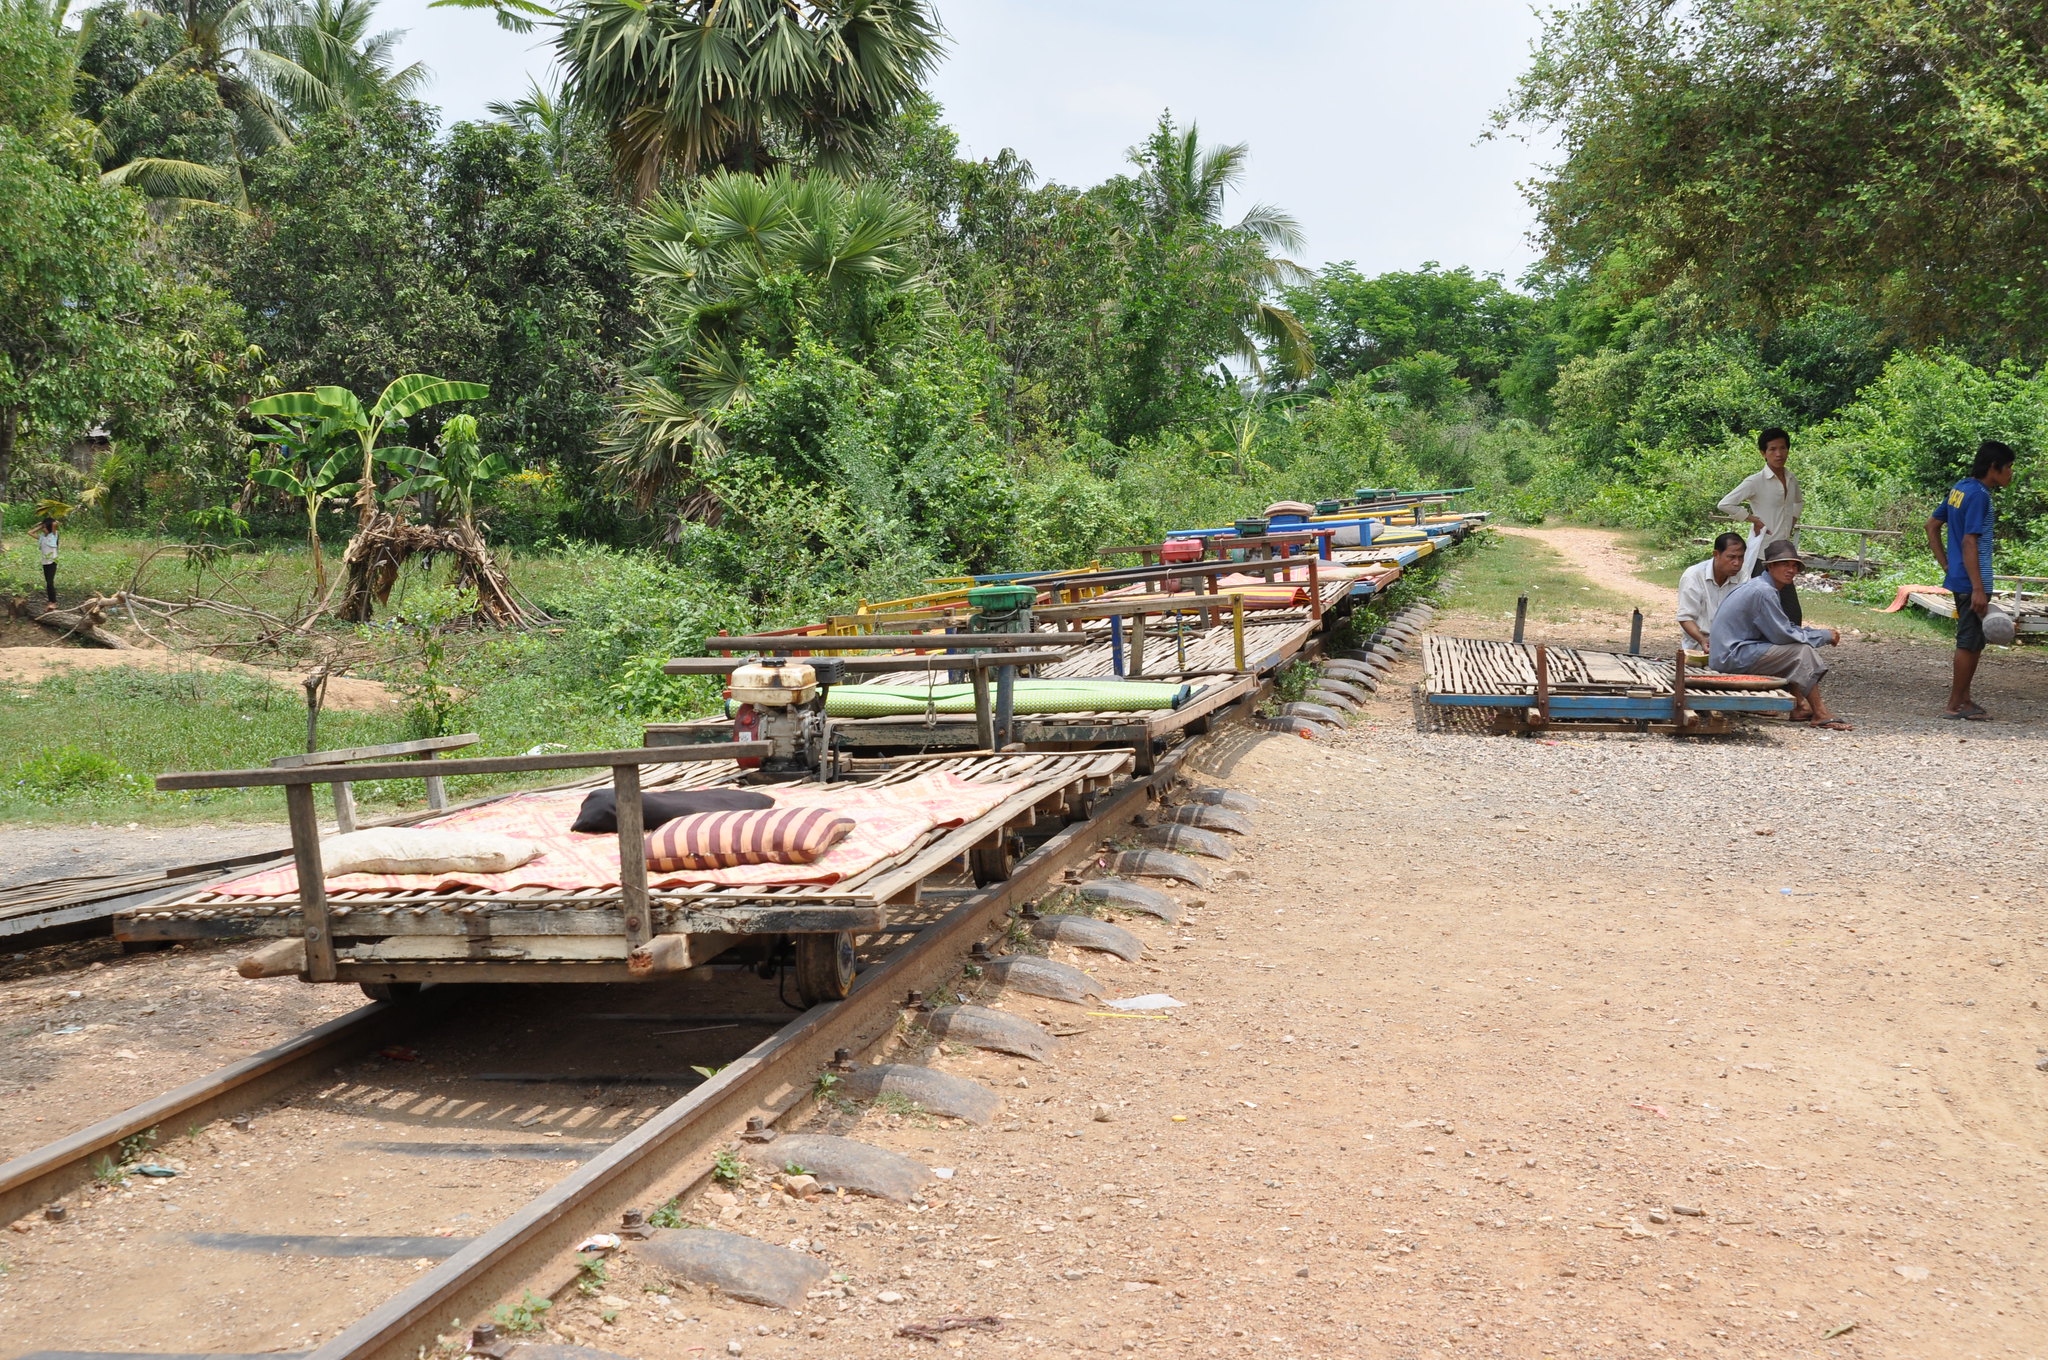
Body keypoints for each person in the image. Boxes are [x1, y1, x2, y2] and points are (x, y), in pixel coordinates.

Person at [1710, 539, 1849, 729]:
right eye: (1785, 564)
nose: (1791, 570)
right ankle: (1820, 713)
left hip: (1733, 652)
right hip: (1731, 656)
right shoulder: (1763, 591)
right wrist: (1824, 635)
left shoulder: (1761, 586)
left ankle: (1800, 706)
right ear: (1771, 566)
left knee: (1790, 651)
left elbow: (1781, 628)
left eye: (1794, 566)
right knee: (1801, 652)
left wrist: (1814, 633)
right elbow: (1783, 635)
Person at [1926, 440, 2017, 721]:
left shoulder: (1960, 488)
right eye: (2009, 467)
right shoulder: (1980, 496)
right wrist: (1978, 587)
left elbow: (1931, 525)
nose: (2011, 473)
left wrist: (1947, 565)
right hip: (1972, 581)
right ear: (1994, 467)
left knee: (1974, 640)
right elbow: (1969, 542)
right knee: (1968, 641)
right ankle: (1956, 704)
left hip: (1961, 577)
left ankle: (1964, 698)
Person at [1718, 427, 1805, 623]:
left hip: (1785, 552)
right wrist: (1752, 519)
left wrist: (1792, 520)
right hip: (1764, 553)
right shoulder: (1756, 481)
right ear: (1763, 453)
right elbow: (1725, 504)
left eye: (1783, 448)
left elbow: (1798, 502)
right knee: (1759, 608)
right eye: (1772, 449)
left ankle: (1790, 650)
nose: (1779, 454)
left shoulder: (1791, 479)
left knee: (1792, 612)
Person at [1676, 531, 1748, 654]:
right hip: (1698, 647)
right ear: (1716, 554)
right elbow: (1685, 617)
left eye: (1741, 557)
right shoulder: (1693, 576)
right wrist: (1702, 640)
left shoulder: (1743, 575)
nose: (1737, 563)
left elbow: (1745, 613)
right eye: (1731, 557)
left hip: (1731, 646)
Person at [35, 516, 58, 606]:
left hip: (52, 562)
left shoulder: (53, 536)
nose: (43, 529)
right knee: (47, 582)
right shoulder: (42, 537)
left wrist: (47, 523)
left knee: (50, 582)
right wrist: (40, 526)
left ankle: (53, 601)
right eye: (42, 527)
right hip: (45, 562)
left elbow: (55, 523)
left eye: (44, 527)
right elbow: (30, 532)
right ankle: (50, 601)